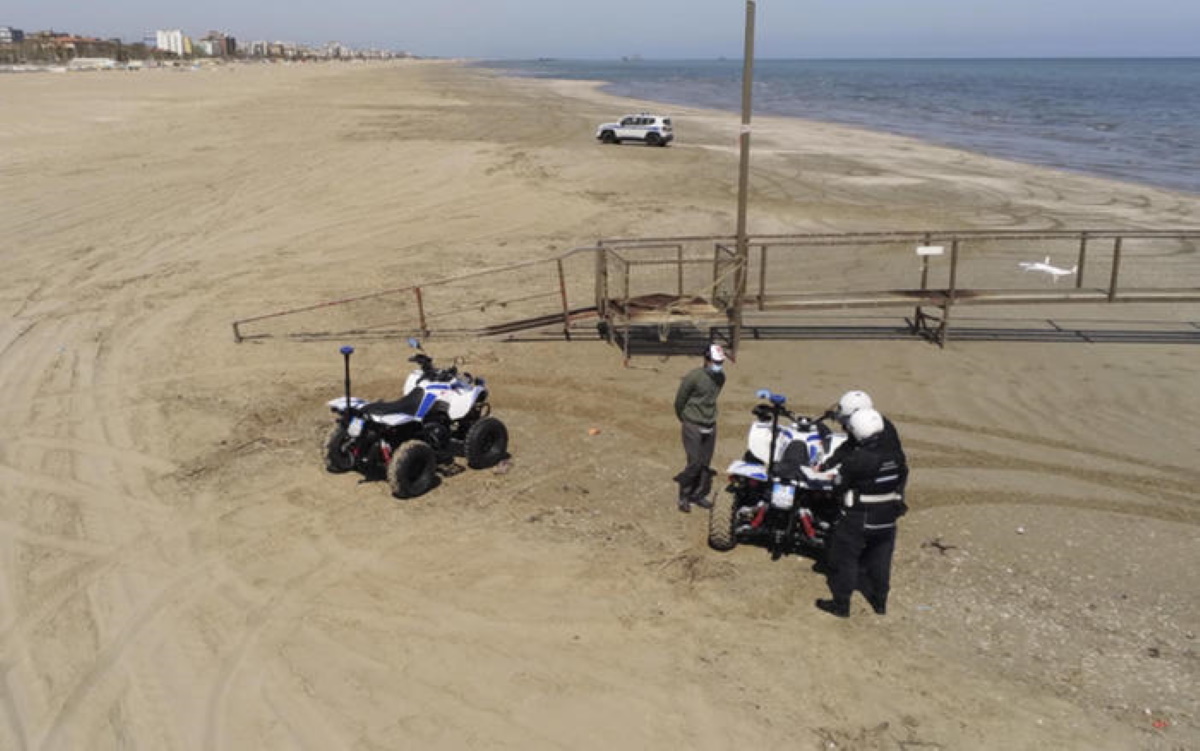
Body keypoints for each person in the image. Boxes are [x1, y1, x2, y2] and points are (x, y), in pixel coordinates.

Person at [815, 408, 908, 618]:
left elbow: (839, 484)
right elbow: (902, 476)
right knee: (881, 560)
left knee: (845, 559)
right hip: (887, 518)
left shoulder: (858, 459)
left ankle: (841, 604)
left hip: (858, 517)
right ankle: (880, 601)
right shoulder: (895, 454)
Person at [672, 343, 727, 513]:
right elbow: (680, 400)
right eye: (715, 361)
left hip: (710, 423)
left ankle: (698, 494)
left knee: (705, 463)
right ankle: (684, 495)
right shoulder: (693, 377)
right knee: (694, 461)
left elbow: (712, 398)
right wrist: (685, 419)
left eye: (720, 362)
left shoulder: (721, 378)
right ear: (706, 359)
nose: (718, 365)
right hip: (692, 423)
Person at [820, 390, 905, 475]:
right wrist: (828, 464)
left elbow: (850, 447)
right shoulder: (876, 423)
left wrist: (830, 466)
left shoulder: (866, 431)